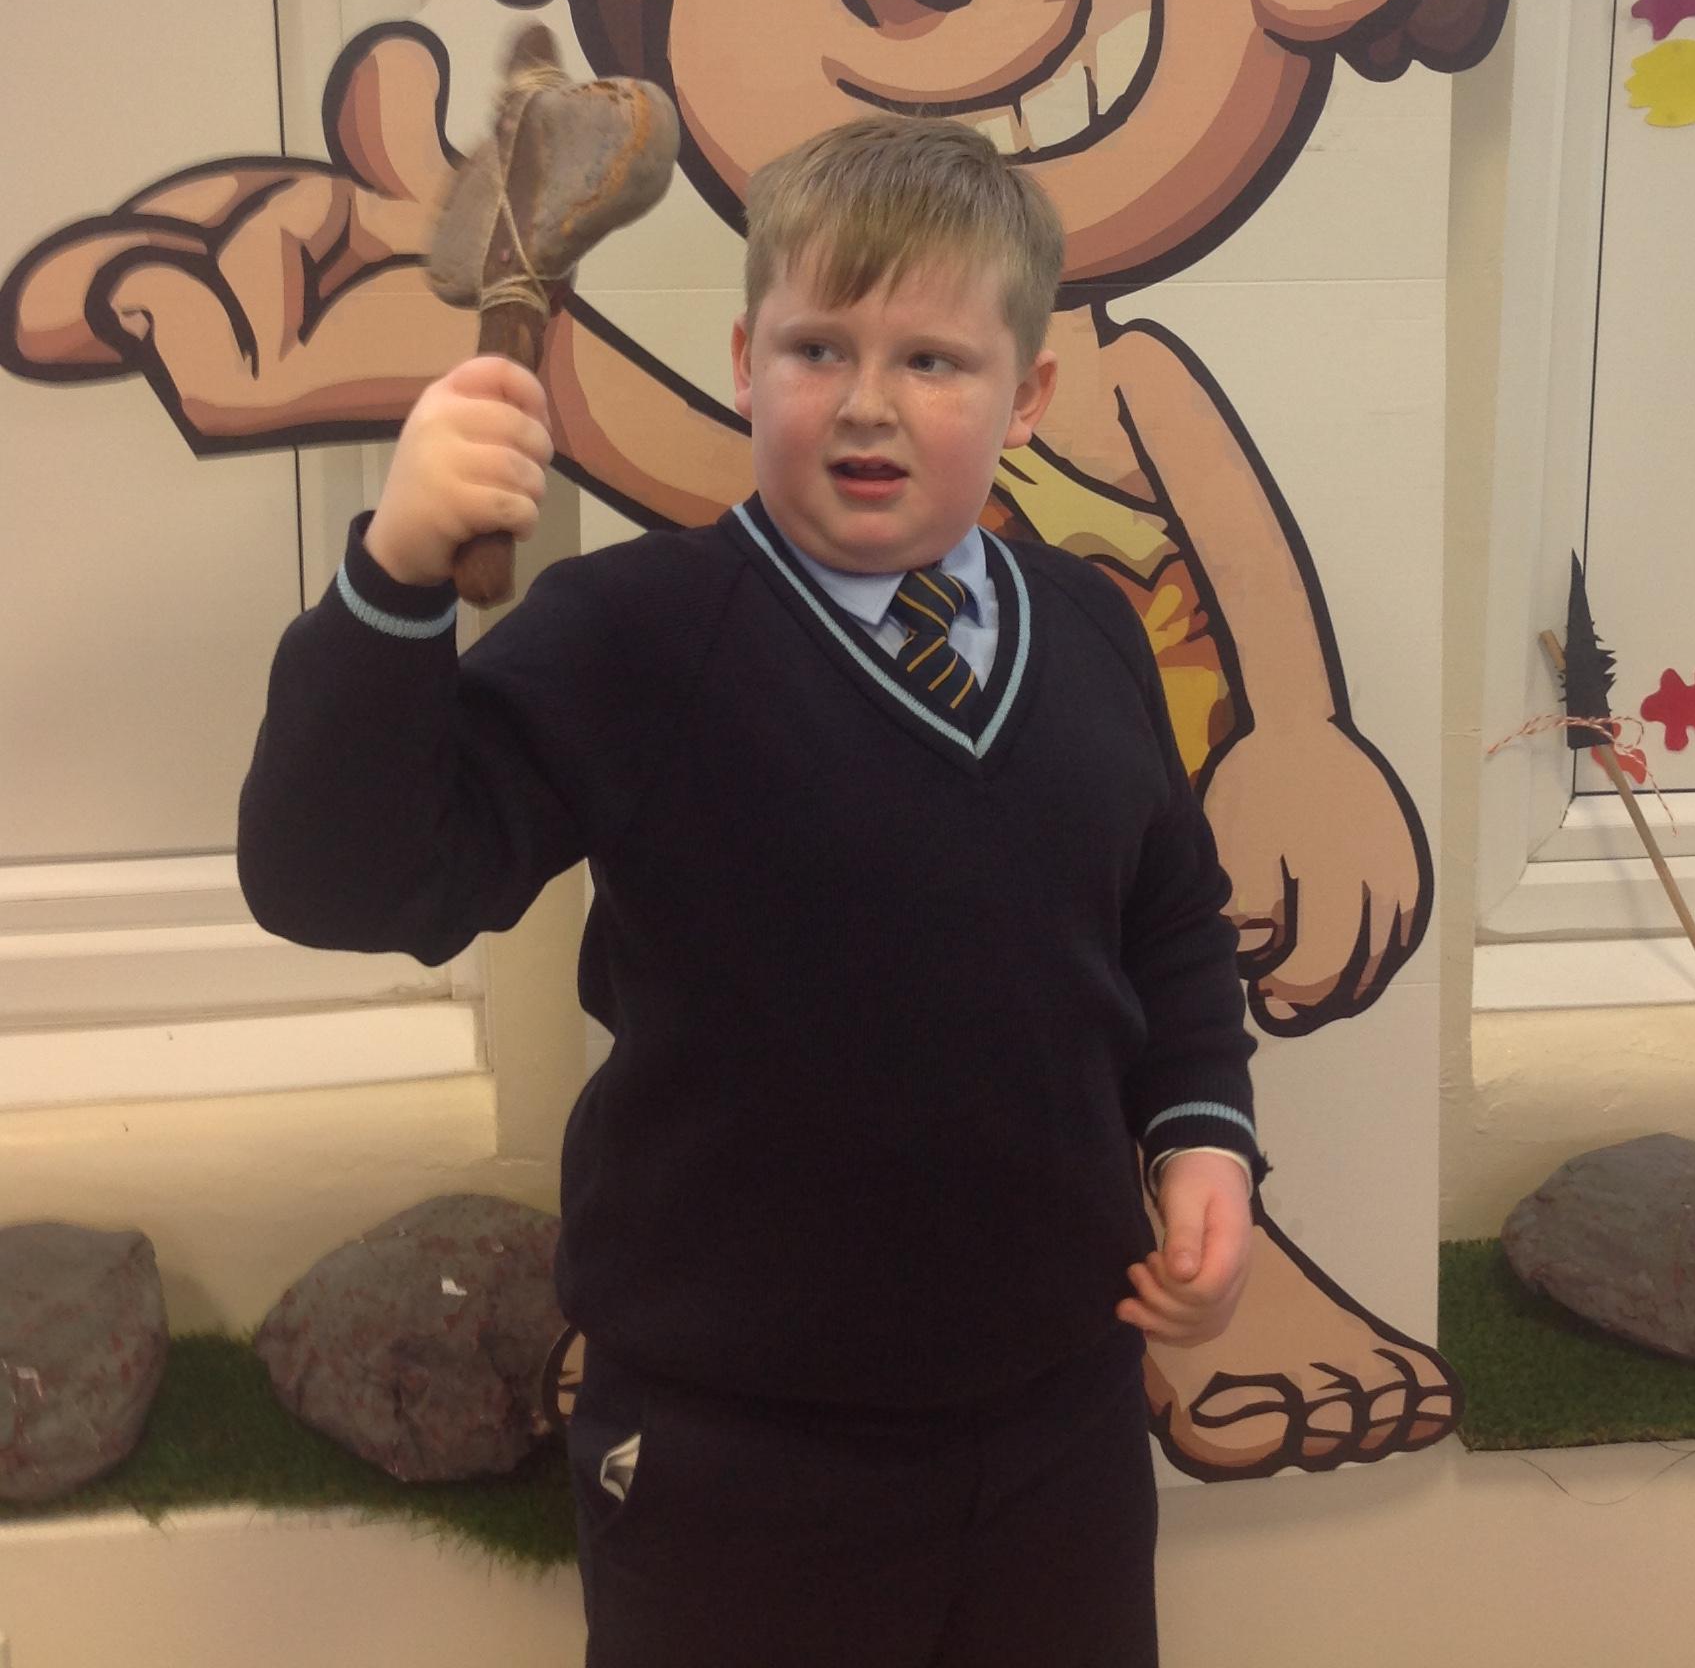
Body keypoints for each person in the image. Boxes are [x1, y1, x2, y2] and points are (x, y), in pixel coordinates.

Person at [236, 109, 1268, 1668]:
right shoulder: (632, 635)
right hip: (736, 1456)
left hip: (1058, 1424)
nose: (868, 402)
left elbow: (1170, 920)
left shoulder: (1092, 629)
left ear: (1029, 396)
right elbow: (341, 884)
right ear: (741, 360)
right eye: (816, 349)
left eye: (934, 360)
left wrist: (1203, 1137)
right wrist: (395, 569)